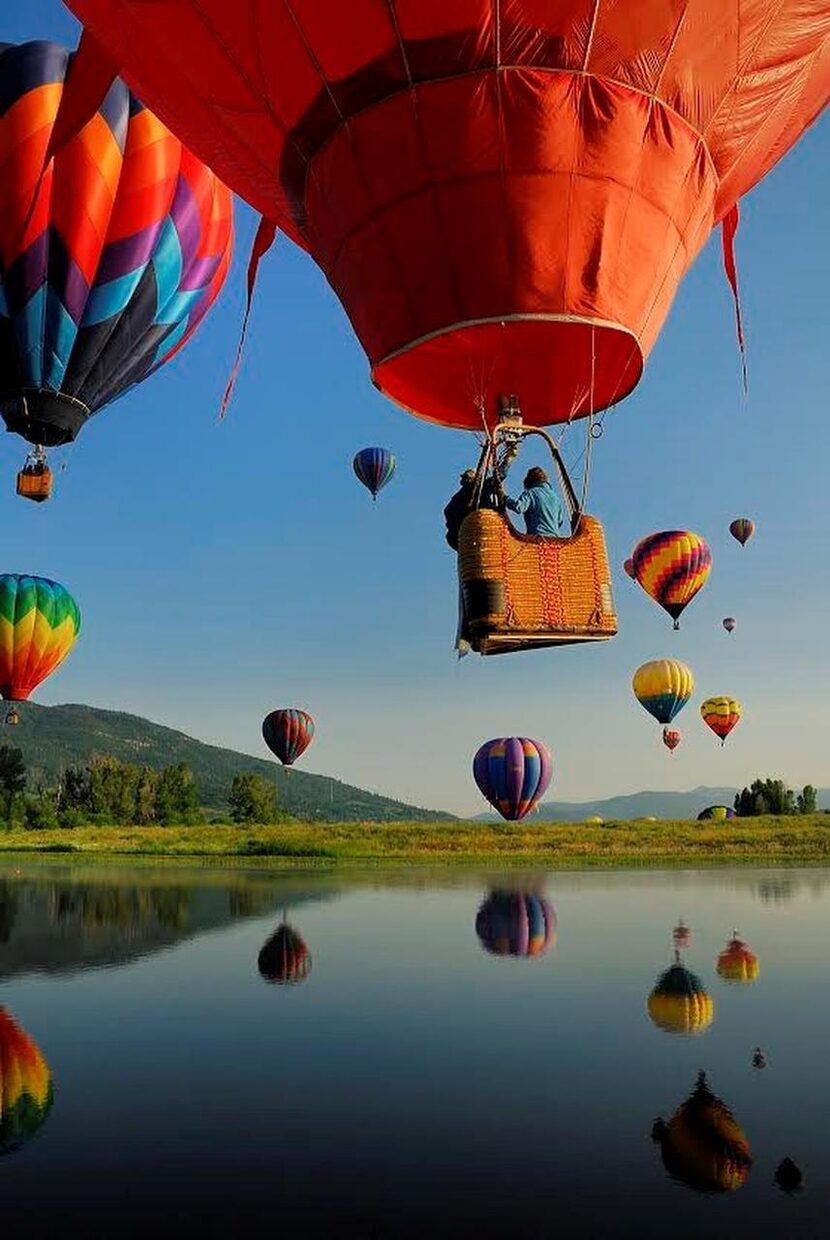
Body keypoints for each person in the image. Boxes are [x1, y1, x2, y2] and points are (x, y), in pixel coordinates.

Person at [505, 466, 565, 536]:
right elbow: (559, 522)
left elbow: (518, 507)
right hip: (555, 540)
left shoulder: (531, 493)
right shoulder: (555, 497)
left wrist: (505, 499)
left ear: (529, 481)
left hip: (537, 539)